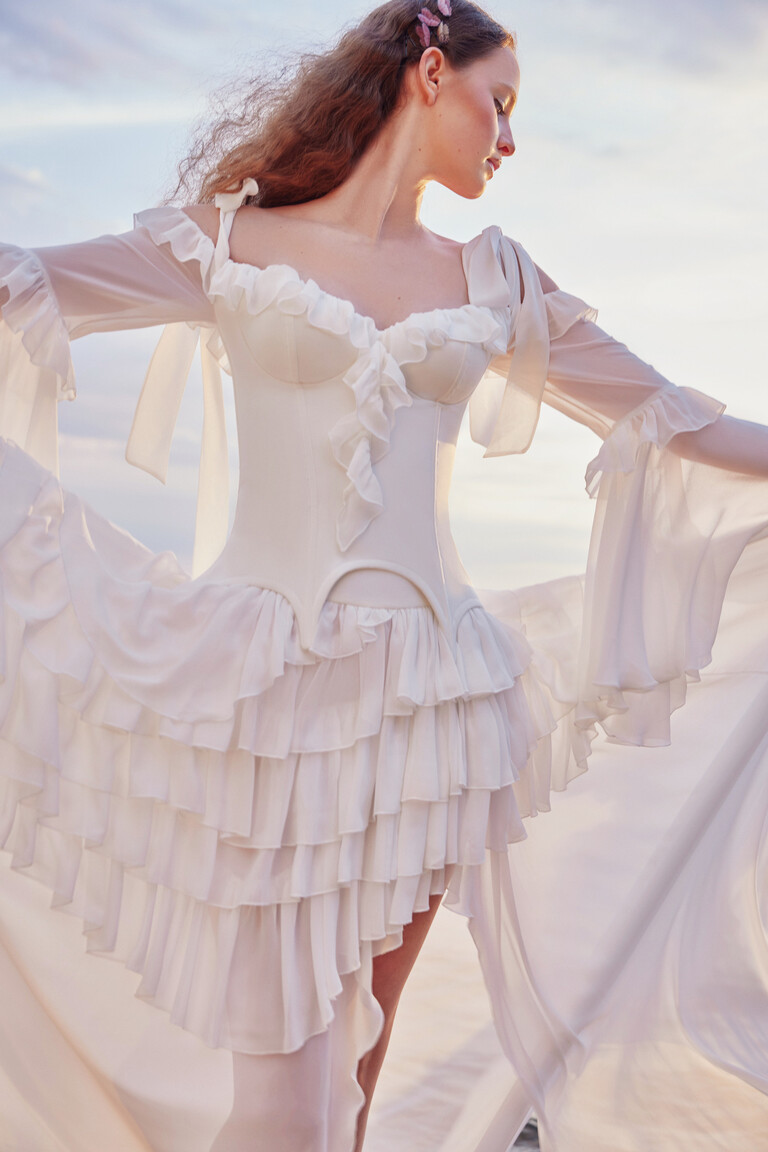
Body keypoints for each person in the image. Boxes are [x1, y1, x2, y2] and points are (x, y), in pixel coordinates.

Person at [0, 2, 767, 1150]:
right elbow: (25, 284)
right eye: (497, 102)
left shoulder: (496, 277)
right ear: (426, 68)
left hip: (437, 709)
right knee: (283, 1090)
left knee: (355, 1067)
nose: (509, 139)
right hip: (266, 700)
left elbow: (682, 424)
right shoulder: (228, 240)